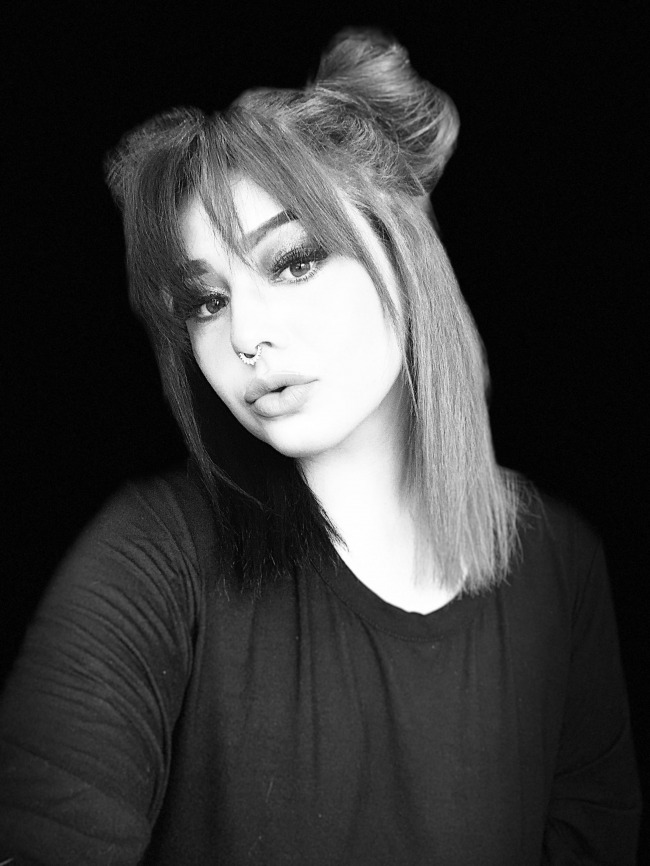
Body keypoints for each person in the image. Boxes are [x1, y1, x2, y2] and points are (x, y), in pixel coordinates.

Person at [0, 26, 641, 865]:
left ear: (405, 257)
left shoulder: (561, 564)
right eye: (205, 302)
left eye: (294, 262)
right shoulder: (153, 557)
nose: (245, 336)